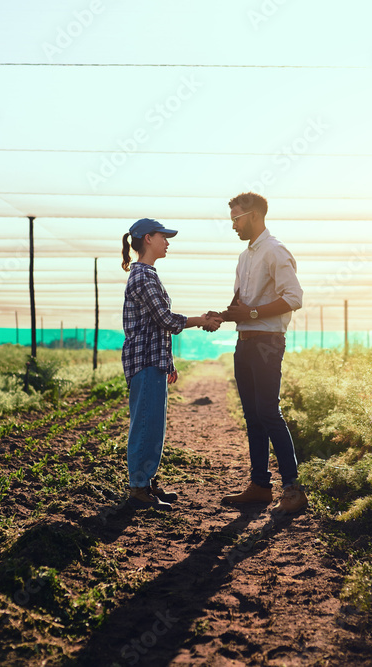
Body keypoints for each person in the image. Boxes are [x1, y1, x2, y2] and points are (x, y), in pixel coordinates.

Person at [213, 192, 307, 514]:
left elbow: (294, 297)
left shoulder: (275, 251)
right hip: (245, 343)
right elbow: (242, 304)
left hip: (267, 343)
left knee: (268, 412)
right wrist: (221, 316)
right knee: (252, 416)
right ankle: (260, 486)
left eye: (236, 219)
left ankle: (293, 490)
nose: (234, 226)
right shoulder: (244, 258)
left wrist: (251, 314)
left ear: (253, 216)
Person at [122, 218, 220, 511]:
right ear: (148, 238)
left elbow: (156, 326)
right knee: (144, 424)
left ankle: (146, 481)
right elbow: (165, 319)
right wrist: (202, 320)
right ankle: (139, 487)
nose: (168, 242)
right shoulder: (143, 277)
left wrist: (169, 362)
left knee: (153, 425)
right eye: (164, 237)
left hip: (154, 360)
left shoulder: (148, 274)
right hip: (145, 361)